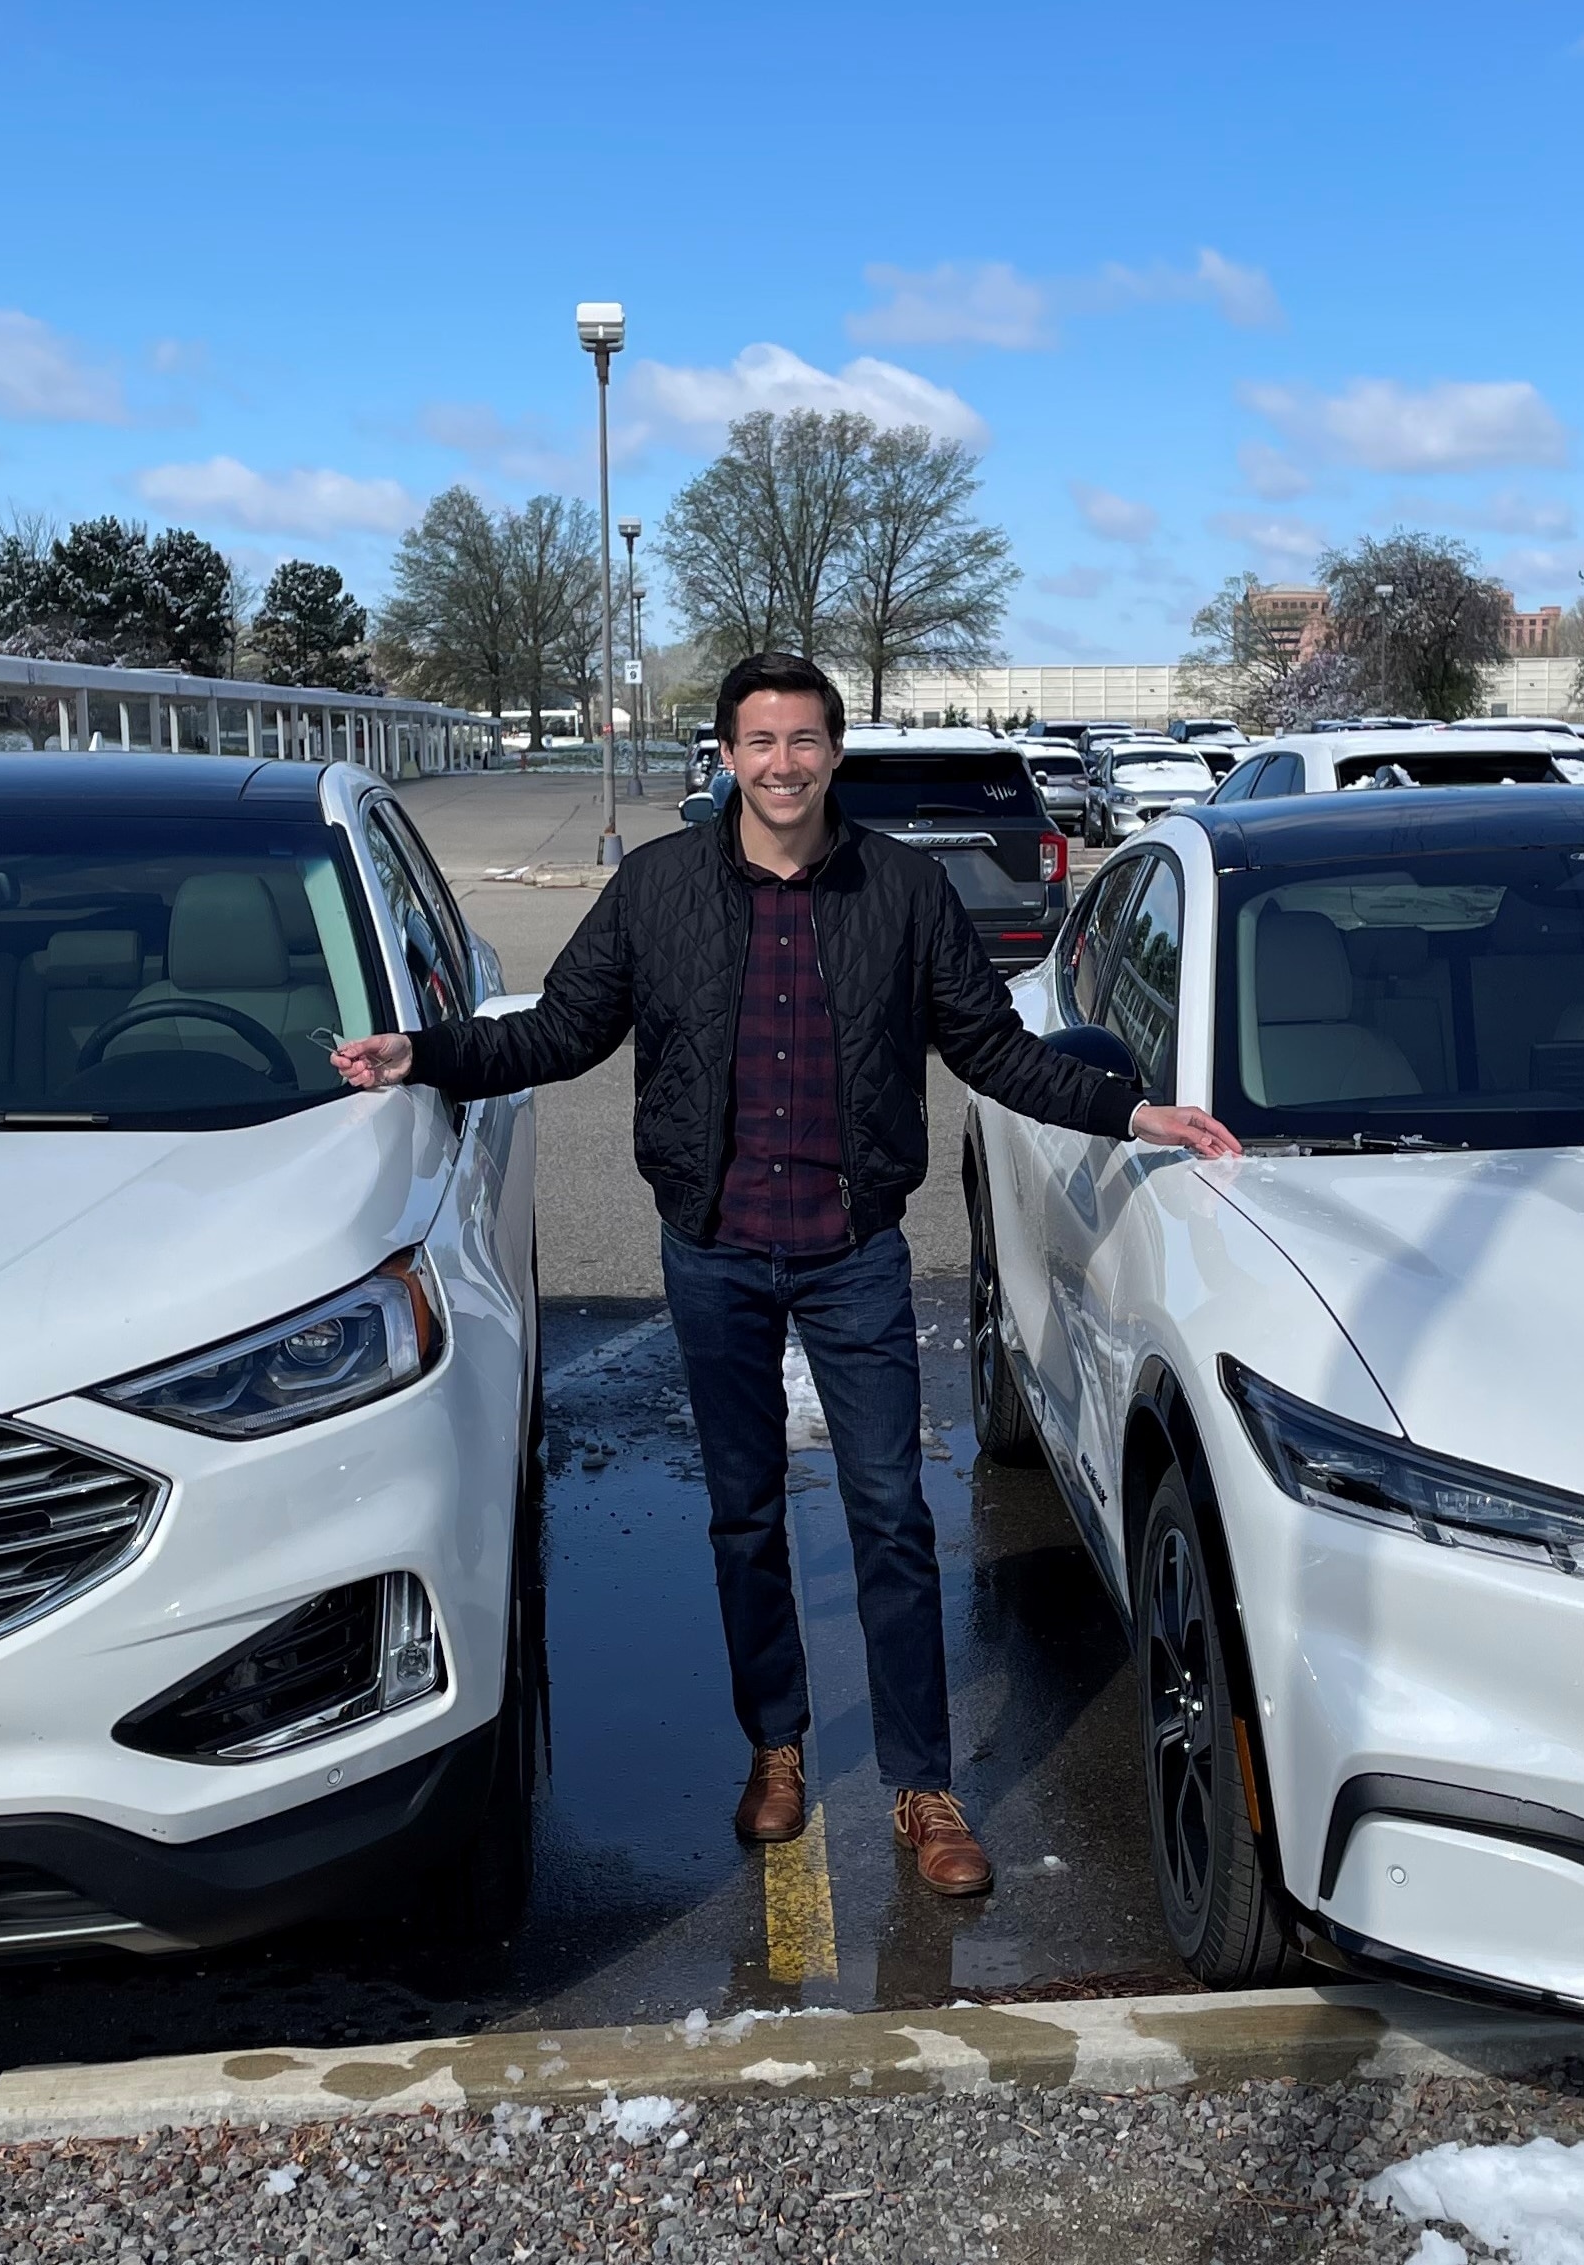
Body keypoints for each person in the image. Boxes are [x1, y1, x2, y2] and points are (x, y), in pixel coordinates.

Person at [334, 652, 1237, 1896]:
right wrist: (425, 1055)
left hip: (853, 1248)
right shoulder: (657, 888)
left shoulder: (904, 892)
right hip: (711, 1251)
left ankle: (923, 1785)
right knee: (746, 1517)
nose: (782, 764)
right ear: (727, 755)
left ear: (833, 753)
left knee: (889, 1517)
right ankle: (777, 1748)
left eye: (804, 741)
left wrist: (1130, 1111)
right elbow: (564, 1030)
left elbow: (990, 1047)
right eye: (759, 742)